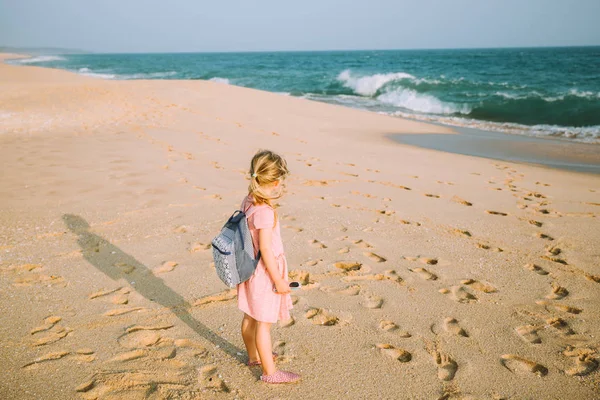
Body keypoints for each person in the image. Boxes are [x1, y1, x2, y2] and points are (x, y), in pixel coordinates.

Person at [237, 149, 301, 384]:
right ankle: (270, 372)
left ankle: (254, 357)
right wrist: (279, 280)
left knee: (250, 316)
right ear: (275, 182)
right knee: (263, 324)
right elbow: (265, 249)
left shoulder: (249, 201)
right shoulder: (264, 212)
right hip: (264, 274)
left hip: (248, 269)